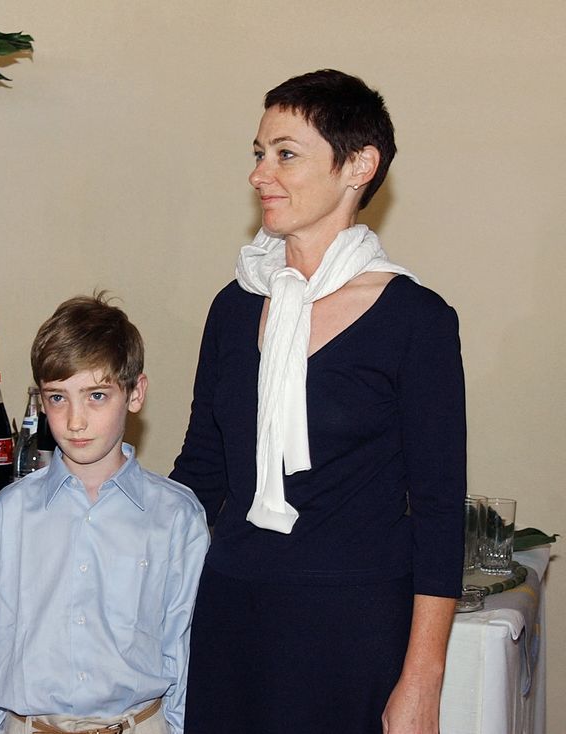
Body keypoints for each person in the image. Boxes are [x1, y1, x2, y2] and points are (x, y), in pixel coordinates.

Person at [171, 69, 466, 733]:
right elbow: (201, 471)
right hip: (230, 615)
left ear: (359, 164)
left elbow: (441, 510)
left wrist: (423, 677)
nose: (260, 175)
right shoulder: (234, 305)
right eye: (258, 153)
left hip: (354, 628)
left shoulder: (414, 319)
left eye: (286, 154)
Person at [0, 294, 210, 734]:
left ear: (135, 393)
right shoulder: (11, 512)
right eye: (58, 398)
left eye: (96, 395)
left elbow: (185, 646)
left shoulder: (176, 517)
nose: (75, 420)